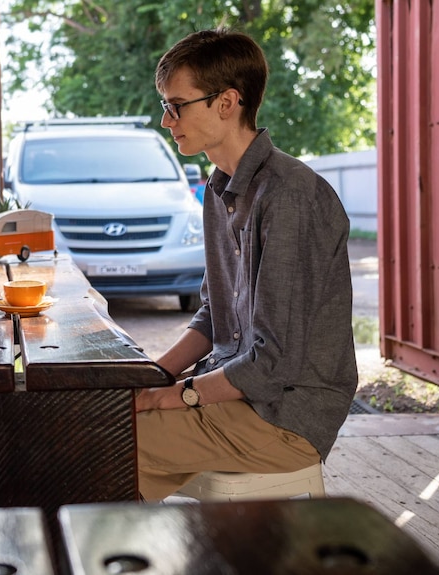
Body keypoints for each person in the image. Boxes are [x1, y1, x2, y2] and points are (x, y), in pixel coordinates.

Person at [136, 28, 358, 500]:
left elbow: (273, 365)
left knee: (100, 446)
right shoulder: (221, 192)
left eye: (176, 105)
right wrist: (154, 376)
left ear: (226, 102)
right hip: (237, 396)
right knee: (93, 424)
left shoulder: (292, 194)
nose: (165, 120)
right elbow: (213, 313)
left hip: (285, 417)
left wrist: (176, 395)